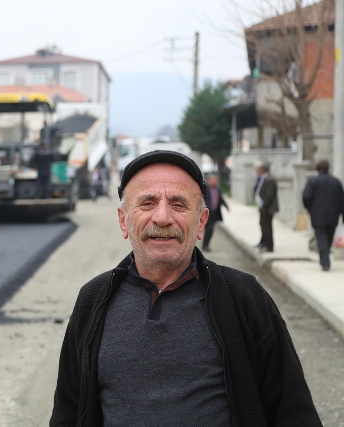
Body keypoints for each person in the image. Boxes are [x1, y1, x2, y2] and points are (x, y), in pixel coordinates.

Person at [50, 150, 320, 426]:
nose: (163, 218)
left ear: (201, 222)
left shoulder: (244, 297)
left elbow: (294, 413)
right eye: (147, 203)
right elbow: (68, 412)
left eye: (178, 205)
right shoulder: (93, 300)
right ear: (123, 221)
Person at [302, 160, 344, 271]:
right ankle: (325, 260)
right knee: (328, 238)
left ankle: (325, 262)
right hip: (333, 216)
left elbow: (306, 197)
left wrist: (310, 208)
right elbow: (342, 200)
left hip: (318, 216)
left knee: (321, 239)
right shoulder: (337, 182)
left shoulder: (313, 181)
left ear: (317, 169)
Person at [255, 162, 278, 253]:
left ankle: (269, 246)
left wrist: (264, 206)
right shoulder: (264, 179)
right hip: (263, 207)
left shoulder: (270, 180)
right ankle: (265, 244)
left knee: (267, 227)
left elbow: (269, 195)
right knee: (263, 225)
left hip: (267, 208)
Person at [202, 174, 229, 252]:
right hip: (206, 212)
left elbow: (220, 199)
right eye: (212, 180)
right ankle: (204, 245)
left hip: (214, 212)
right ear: (208, 180)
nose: (214, 181)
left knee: (210, 229)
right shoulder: (205, 189)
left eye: (215, 180)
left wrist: (226, 206)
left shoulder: (217, 189)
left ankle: (206, 245)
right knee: (208, 229)